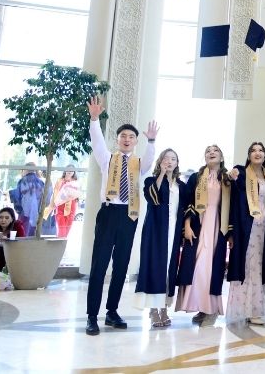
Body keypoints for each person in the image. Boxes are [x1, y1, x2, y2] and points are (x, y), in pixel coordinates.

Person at [85, 96, 158, 336]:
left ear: (136, 142)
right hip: (108, 213)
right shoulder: (107, 159)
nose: (127, 139)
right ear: (117, 140)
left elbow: (150, 160)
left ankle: (112, 311)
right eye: (123, 136)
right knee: (99, 265)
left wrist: (151, 141)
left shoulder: (139, 163)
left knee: (121, 265)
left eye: (131, 137)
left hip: (129, 216)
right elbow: (97, 142)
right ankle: (92, 316)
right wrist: (94, 119)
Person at [176, 145, 232, 326]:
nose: (211, 152)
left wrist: (231, 233)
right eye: (208, 151)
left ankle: (211, 310)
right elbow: (188, 202)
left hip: (218, 226)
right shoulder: (197, 177)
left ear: (221, 157)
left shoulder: (227, 179)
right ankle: (202, 307)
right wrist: (187, 226)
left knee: (211, 268)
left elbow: (233, 207)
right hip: (198, 225)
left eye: (215, 150)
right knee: (197, 267)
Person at [134, 149, 186, 328]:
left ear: (177, 163)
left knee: (169, 268)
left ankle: (164, 307)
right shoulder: (151, 181)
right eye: (166, 158)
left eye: (173, 159)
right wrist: (162, 174)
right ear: (160, 161)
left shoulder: (181, 186)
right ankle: (153, 310)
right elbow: (153, 198)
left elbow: (185, 208)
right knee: (155, 266)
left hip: (173, 231)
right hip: (155, 231)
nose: (169, 161)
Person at [226, 141, 265, 325]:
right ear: (248, 155)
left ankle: (255, 309)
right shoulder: (242, 172)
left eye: (261, 150)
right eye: (253, 150)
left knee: (259, 267)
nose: (257, 153)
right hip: (247, 227)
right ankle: (241, 308)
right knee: (246, 265)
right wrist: (232, 176)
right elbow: (234, 189)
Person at [12, 163, 51, 237]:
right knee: (33, 235)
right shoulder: (41, 183)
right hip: (37, 214)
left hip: (24, 213)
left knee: (22, 234)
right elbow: (46, 200)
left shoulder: (22, 181)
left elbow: (17, 198)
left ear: (25, 170)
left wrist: (18, 210)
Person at [49, 167, 82, 238]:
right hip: (60, 208)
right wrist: (51, 206)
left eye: (72, 170)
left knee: (66, 232)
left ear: (74, 172)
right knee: (62, 231)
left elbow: (78, 196)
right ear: (65, 171)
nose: (70, 171)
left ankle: (61, 244)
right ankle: (59, 244)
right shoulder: (59, 181)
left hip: (71, 209)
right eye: (68, 169)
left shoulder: (76, 183)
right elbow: (55, 194)